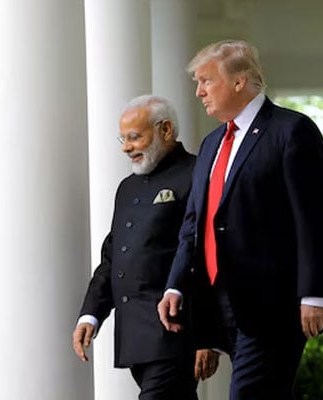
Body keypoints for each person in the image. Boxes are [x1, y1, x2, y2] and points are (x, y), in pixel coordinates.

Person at [157, 39, 323, 399]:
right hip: (218, 301)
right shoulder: (210, 144)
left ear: (239, 82)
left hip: (272, 305)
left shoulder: (291, 131)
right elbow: (194, 223)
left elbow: (314, 217)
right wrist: (176, 284)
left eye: (207, 81)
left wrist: (316, 294)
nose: (199, 91)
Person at [73, 95, 220, 400]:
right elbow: (113, 257)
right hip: (134, 336)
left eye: (135, 137)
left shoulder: (198, 174)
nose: (126, 147)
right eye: (123, 139)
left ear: (165, 130)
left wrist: (210, 336)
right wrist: (91, 314)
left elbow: (208, 253)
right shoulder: (127, 188)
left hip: (177, 333)